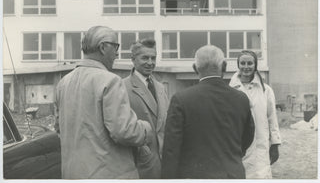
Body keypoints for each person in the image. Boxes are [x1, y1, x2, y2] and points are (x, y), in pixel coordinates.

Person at [55, 26, 152, 179]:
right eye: (115, 46)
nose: (117, 53)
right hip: (108, 175)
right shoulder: (110, 80)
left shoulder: (63, 83)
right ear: (102, 47)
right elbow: (124, 131)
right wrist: (146, 129)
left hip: (72, 174)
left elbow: (59, 128)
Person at [161, 45, 255, 179]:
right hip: (233, 174)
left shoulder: (181, 99)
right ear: (224, 66)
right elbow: (248, 137)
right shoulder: (241, 99)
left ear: (195, 68)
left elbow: (171, 149)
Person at [229, 50, 281, 179]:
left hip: (260, 146)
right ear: (238, 65)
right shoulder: (230, 90)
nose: (246, 67)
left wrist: (275, 144)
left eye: (250, 63)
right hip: (238, 147)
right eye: (243, 63)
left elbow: (272, 118)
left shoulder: (266, 90)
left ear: (255, 65)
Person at [123, 38, 169, 179]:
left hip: (163, 164)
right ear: (133, 59)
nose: (150, 63)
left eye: (153, 58)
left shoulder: (161, 87)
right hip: (139, 165)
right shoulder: (123, 87)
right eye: (145, 58)